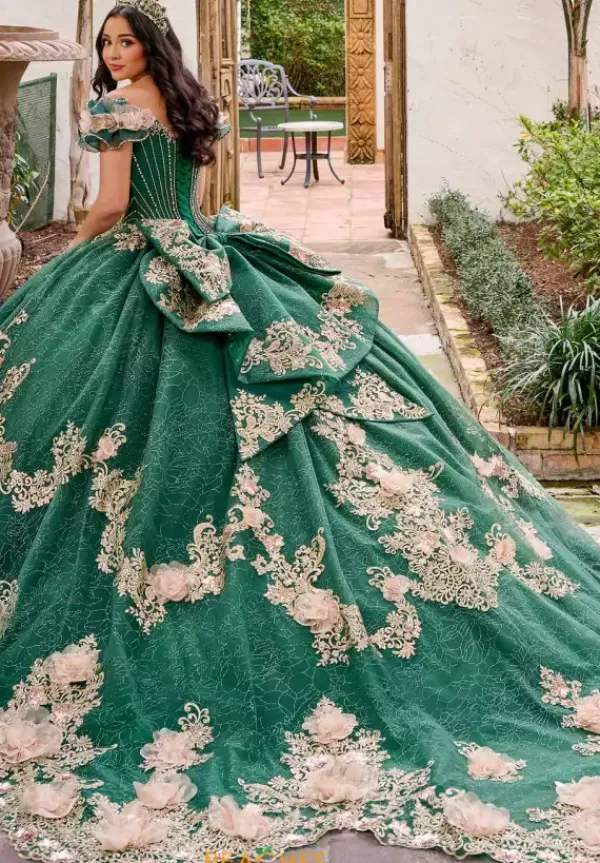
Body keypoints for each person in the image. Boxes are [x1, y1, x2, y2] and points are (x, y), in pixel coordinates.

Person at [0, 2, 599, 861]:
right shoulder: (187, 103)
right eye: (107, 43)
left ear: (150, 47)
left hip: (143, 267)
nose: (114, 52)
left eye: (125, 41)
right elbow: (186, 201)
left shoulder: (118, 109)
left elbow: (112, 209)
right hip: (207, 256)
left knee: (89, 416)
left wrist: (67, 258)